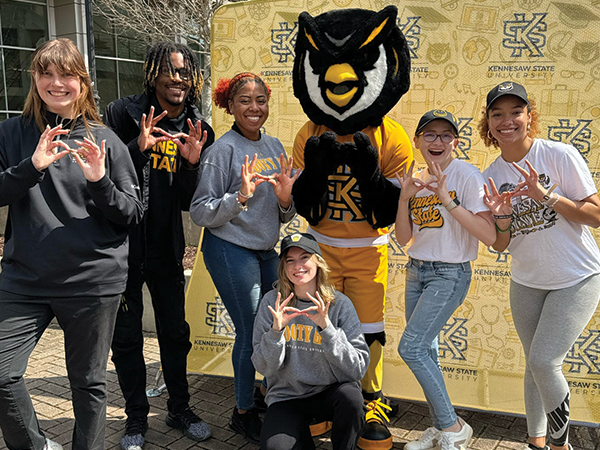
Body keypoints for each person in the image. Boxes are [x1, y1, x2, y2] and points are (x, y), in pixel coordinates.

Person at [0, 39, 143, 450]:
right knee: (3, 373)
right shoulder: (11, 134)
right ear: (35, 79)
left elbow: (131, 213)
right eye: (47, 73)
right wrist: (31, 167)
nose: (56, 83)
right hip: (25, 279)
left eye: (66, 75)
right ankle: (39, 446)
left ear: (82, 82)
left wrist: (100, 181)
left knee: (88, 383)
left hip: (92, 281)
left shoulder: (106, 141)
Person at [103, 42, 215, 449]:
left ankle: (179, 407)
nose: (179, 79)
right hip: (122, 249)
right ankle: (135, 418)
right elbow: (103, 180)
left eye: (186, 73)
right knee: (127, 336)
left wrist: (191, 163)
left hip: (166, 249)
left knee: (175, 332)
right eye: (171, 70)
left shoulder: (199, 126)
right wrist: (137, 148)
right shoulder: (122, 113)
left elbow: (189, 201)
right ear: (153, 73)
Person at [479, 81, 600, 450]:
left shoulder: (558, 155)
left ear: (529, 116)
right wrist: (501, 219)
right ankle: (536, 441)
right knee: (533, 365)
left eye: (516, 112)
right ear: (488, 123)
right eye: (497, 114)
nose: (507, 121)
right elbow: (501, 245)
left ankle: (560, 445)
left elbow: (595, 215)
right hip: (526, 282)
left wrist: (545, 195)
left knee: (546, 363)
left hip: (576, 278)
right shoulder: (490, 175)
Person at [190, 72, 298, 444]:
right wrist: (238, 198)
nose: (254, 107)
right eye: (245, 100)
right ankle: (242, 411)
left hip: (266, 250)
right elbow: (201, 211)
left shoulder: (275, 146)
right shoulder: (223, 151)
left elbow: (284, 214)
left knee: (272, 327)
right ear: (229, 106)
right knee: (251, 333)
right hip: (229, 248)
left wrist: (285, 201)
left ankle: (270, 396)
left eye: (260, 100)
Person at [394, 110, 495, 450]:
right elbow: (404, 237)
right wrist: (405, 197)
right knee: (427, 351)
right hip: (416, 270)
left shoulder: (466, 175)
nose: (438, 141)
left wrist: (447, 199)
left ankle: (453, 427)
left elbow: (489, 235)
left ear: (455, 141)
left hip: (449, 274)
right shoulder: (418, 176)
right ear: (418, 140)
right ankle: (441, 426)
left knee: (411, 348)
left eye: (445, 135)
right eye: (430, 135)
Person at [252, 232, 370, 449]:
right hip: (287, 396)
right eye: (290, 261)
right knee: (274, 447)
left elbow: (357, 369)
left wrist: (327, 329)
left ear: (318, 262)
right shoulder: (272, 302)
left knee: (352, 400)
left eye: (305, 257)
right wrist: (276, 331)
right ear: (284, 268)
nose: (298, 266)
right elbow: (262, 367)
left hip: (330, 391)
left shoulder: (339, 304)